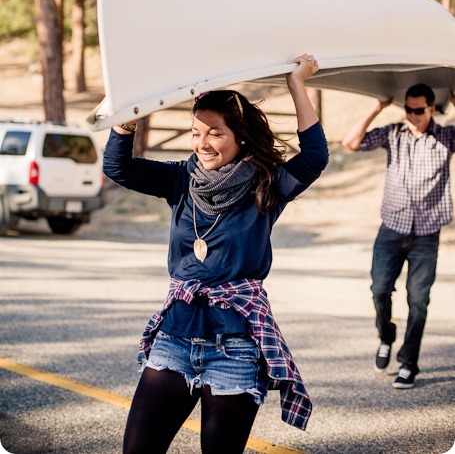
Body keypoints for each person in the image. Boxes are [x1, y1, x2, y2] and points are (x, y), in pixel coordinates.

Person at [103, 54, 329, 454]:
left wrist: (296, 83)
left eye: (215, 133)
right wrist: (126, 116)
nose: (202, 144)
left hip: (234, 349)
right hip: (174, 338)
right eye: (195, 132)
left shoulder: (266, 185)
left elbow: (314, 157)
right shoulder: (180, 179)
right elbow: (117, 167)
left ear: (239, 137)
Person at [342, 84, 455, 389]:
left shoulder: (446, 136)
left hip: (426, 234)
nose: (412, 115)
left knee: (418, 300)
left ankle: (409, 364)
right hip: (391, 229)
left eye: (419, 110)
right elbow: (351, 143)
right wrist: (377, 106)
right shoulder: (394, 133)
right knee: (379, 290)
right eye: (408, 109)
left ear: (432, 108)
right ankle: (386, 337)